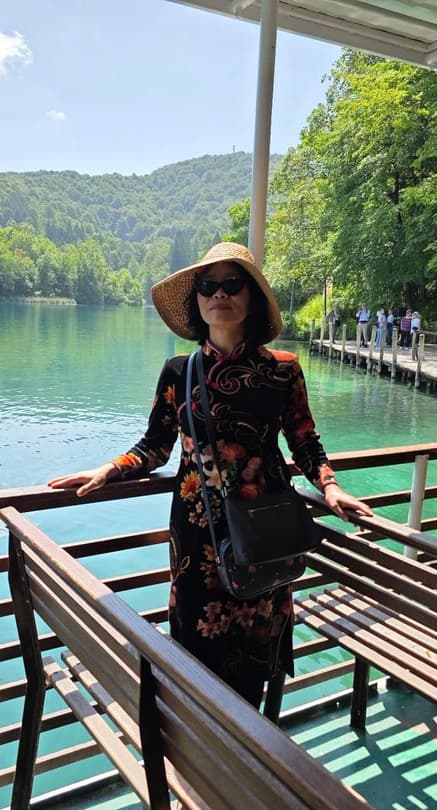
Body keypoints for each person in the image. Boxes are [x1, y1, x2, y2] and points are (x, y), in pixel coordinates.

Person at [47, 242, 372, 707]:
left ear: (252, 298)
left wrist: (331, 487)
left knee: (257, 640)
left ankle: (253, 750)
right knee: (195, 646)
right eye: (207, 286)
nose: (219, 294)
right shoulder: (178, 372)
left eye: (232, 284)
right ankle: (202, 750)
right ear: (197, 301)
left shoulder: (283, 371)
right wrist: (109, 470)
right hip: (198, 533)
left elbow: (304, 440)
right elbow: (155, 445)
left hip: (265, 528)